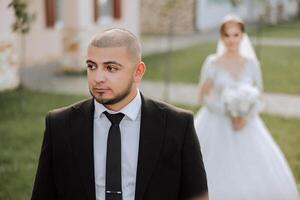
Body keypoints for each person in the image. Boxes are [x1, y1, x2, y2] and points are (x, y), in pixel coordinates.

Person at [31, 28, 208, 200]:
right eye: (92, 66)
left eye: (111, 68)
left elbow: (196, 195)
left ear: (138, 72)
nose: (98, 77)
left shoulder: (177, 125)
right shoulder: (60, 125)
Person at [194, 15, 300, 200]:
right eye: (227, 35)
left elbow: (259, 95)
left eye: (235, 34)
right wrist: (227, 110)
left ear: (242, 36)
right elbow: (202, 96)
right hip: (216, 122)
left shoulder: (252, 64)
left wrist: (245, 115)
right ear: (221, 37)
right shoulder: (212, 63)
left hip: (247, 123)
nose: (231, 40)